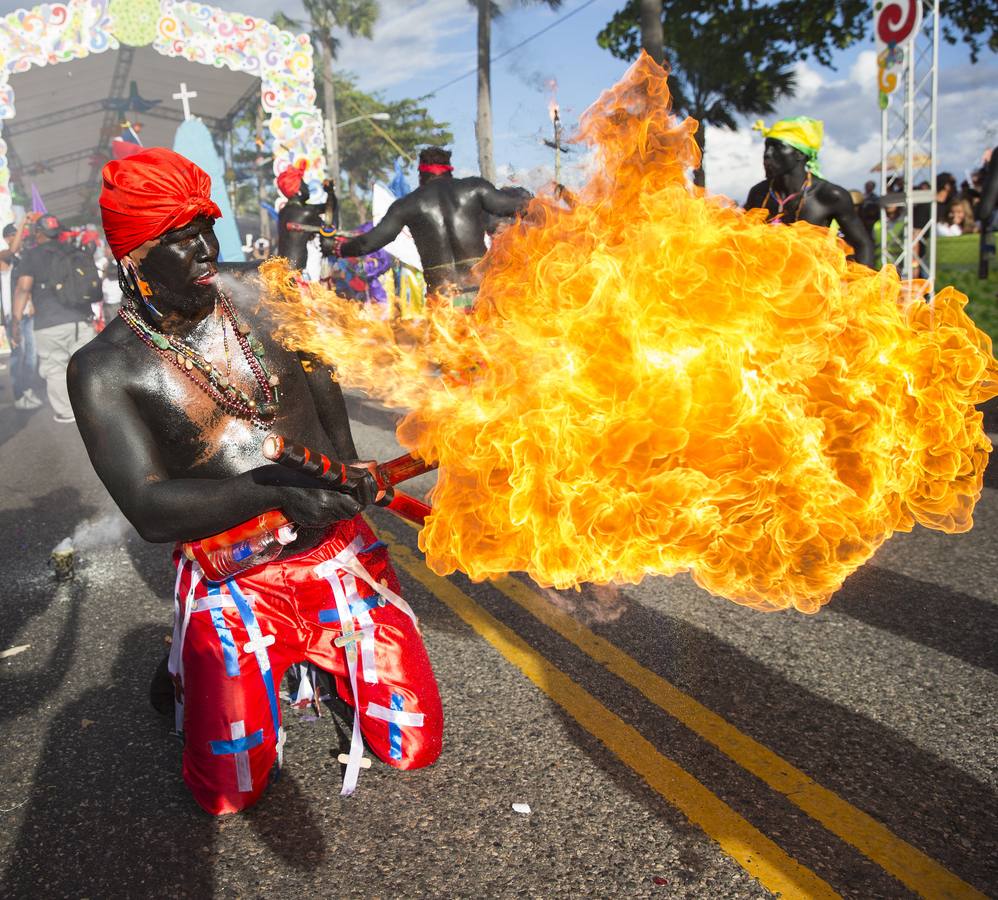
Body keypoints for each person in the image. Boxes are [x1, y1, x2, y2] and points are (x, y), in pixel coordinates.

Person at [67, 147, 442, 815]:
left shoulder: (264, 287)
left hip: (335, 554)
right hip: (235, 576)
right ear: (133, 258)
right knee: (228, 795)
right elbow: (152, 510)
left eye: (206, 228)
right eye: (179, 241)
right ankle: (187, 659)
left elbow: (320, 373)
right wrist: (276, 494)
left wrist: (349, 466)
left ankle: (302, 660)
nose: (206, 249)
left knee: (413, 746)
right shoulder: (102, 368)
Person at [334, 146, 530, 308]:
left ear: (421, 174)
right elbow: (514, 206)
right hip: (481, 295)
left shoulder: (408, 204)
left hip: (442, 302)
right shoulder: (475, 188)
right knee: (487, 353)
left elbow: (368, 243)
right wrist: (541, 202)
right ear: (449, 170)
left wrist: (338, 248)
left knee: (449, 355)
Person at [745, 117, 874, 267]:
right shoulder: (758, 194)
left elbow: (863, 244)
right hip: (766, 285)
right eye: (767, 146)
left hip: (812, 285)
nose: (767, 153)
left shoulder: (829, 196)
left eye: (777, 146)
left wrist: (859, 283)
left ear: (800, 154)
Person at [11, 214, 94, 423]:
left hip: (48, 324)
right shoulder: (72, 249)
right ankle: (95, 405)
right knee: (88, 365)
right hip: (80, 319)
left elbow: (23, 288)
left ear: (38, 233)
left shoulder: (31, 256)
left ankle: (67, 412)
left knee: (55, 368)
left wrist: (15, 322)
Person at [1, 217, 43, 410]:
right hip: (13, 318)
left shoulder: (21, 259)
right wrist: (21, 226)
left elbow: (25, 285)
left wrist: (31, 304)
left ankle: (27, 389)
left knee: (31, 356)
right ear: (6, 238)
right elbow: (12, 249)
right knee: (19, 354)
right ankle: (19, 394)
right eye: (11, 236)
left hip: (26, 314)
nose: (15, 239)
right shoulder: (4, 258)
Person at [275, 160, 338, 272]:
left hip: (282, 272)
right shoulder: (305, 213)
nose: (307, 186)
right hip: (293, 274)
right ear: (297, 191)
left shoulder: (284, 212)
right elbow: (330, 210)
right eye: (303, 184)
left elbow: (325, 208)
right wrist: (330, 192)